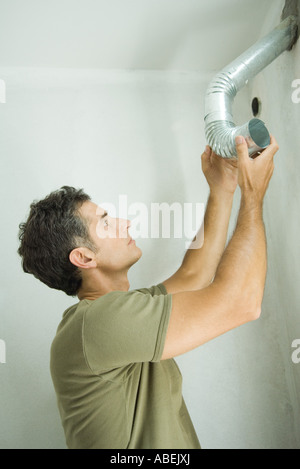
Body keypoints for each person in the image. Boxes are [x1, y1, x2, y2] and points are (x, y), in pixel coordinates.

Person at [18, 135, 279, 449]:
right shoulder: (98, 323)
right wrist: (253, 194)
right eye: (105, 222)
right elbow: (242, 302)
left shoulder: (115, 312)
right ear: (84, 257)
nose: (125, 223)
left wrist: (223, 188)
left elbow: (194, 275)